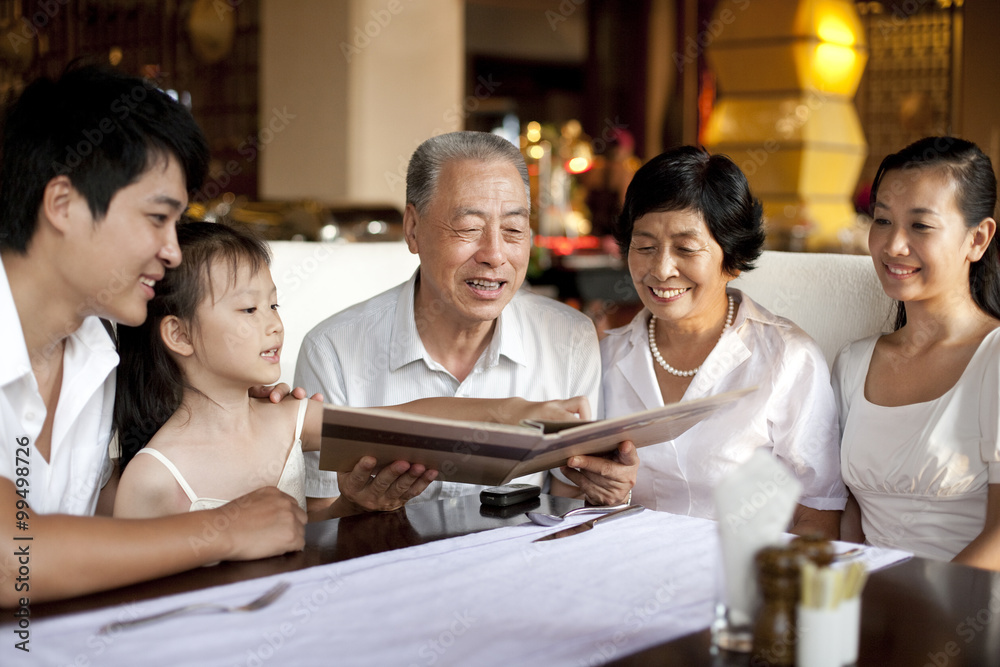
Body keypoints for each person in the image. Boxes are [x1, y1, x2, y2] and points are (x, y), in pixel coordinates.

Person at [0, 64, 308, 606]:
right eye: (156, 218)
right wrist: (226, 528)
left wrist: (230, 401)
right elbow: (12, 560)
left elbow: (88, 531)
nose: (171, 251)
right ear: (62, 204)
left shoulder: (99, 352)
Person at [113, 221, 589, 520]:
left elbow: (408, 419)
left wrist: (517, 410)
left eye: (274, 305)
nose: (274, 324)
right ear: (179, 335)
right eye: (248, 310)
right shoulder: (153, 476)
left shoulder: (285, 419)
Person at [296, 131, 638, 512]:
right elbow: (315, 520)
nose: (494, 254)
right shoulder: (333, 350)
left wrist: (606, 490)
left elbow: (566, 501)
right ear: (413, 229)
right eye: (469, 228)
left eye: (512, 230)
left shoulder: (568, 338)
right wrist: (360, 506)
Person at [601, 146, 846, 538]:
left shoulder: (786, 358)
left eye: (686, 248)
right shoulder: (605, 355)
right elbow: (581, 496)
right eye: (645, 246)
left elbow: (819, 511)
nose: (661, 269)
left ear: (731, 257)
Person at [834, 136, 1000, 569]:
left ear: (977, 239)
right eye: (883, 220)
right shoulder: (853, 364)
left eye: (921, 226)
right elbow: (846, 507)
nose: (893, 246)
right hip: (871, 608)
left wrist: (917, 615)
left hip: (967, 610)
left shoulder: (994, 358)